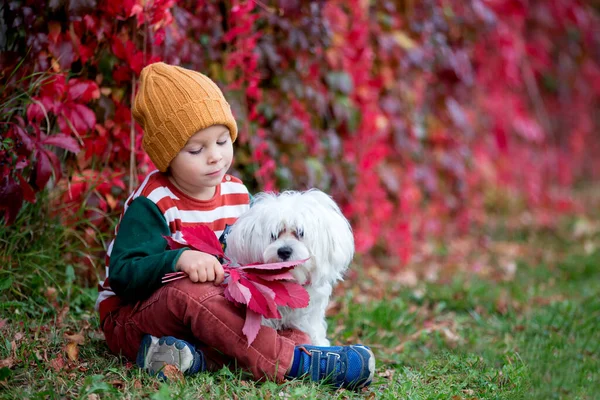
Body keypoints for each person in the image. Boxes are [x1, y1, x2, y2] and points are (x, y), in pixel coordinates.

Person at [95, 62, 375, 389]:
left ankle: (192, 359)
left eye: (222, 141)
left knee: (271, 310)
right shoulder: (153, 202)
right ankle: (301, 361)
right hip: (134, 319)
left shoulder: (235, 192)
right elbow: (123, 274)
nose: (214, 156)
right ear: (167, 156)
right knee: (190, 294)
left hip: (202, 321)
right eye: (196, 149)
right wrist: (178, 259)